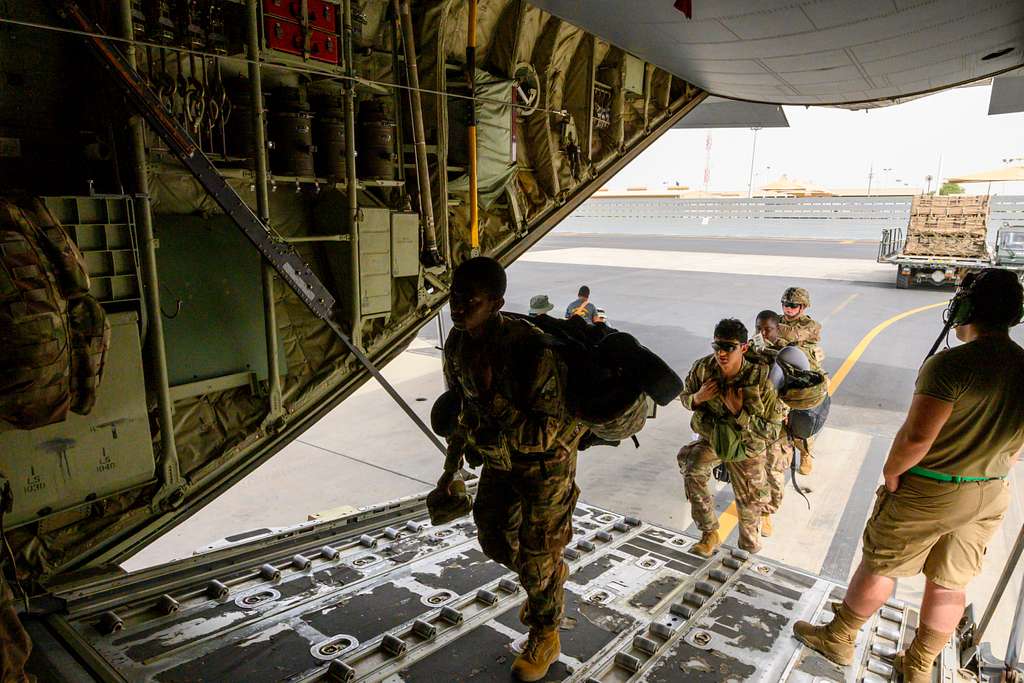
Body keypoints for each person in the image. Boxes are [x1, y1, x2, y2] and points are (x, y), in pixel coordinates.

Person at [792, 269, 1024, 683]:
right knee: (950, 582)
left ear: (966, 308)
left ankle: (840, 637)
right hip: (989, 491)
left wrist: (892, 473)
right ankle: (917, 666)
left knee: (880, 566)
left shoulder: (951, 366)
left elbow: (917, 438)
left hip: (933, 488)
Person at [434, 256, 585, 681]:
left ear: (497, 302)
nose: (457, 308)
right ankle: (548, 579)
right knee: (494, 538)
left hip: (545, 468)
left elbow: (545, 434)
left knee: (536, 559)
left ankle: (546, 631)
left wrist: (490, 397)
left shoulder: (530, 350)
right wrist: (450, 471)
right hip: (500, 461)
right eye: (453, 298)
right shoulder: (459, 343)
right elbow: (464, 410)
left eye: (469, 300)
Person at [677, 318, 784, 556]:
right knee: (693, 468)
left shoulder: (761, 379)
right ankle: (709, 533)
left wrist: (740, 413)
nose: (722, 353)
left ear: (743, 348)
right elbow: (685, 397)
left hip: (747, 446)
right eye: (717, 346)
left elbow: (772, 431)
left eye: (729, 347)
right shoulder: (703, 369)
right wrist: (698, 398)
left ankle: (749, 547)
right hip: (714, 439)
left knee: (750, 506)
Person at [777, 289, 823, 474]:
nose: (788, 308)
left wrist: (773, 333)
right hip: (779, 371)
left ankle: (805, 454)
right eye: (785, 304)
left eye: (793, 305)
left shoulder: (811, 325)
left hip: (802, 378)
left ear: (803, 307)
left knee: (800, 420)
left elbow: (793, 336)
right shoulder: (775, 320)